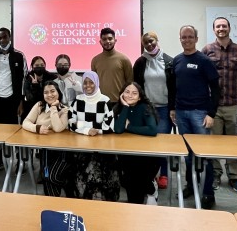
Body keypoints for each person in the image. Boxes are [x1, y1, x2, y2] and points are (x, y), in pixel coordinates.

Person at [169, 25, 220, 209]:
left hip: (200, 114)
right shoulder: (177, 60)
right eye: (184, 37)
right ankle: (191, 185)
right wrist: (173, 108)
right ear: (180, 39)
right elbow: (173, 87)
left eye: (190, 36)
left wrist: (211, 113)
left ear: (196, 39)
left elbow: (215, 89)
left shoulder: (204, 61)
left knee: (203, 155)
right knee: (188, 155)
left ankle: (207, 193)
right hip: (181, 113)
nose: (187, 39)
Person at [202, 17, 237, 191]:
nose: (221, 28)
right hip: (214, 106)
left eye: (224, 26)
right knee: (214, 144)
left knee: (233, 144)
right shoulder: (207, 50)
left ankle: (234, 176)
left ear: (229, 28)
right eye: (218, 26)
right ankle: (215, 175)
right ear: (214, 30)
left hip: (235, 103)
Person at [132, 31, 174, 190]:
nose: (149, 44)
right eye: (146, 43)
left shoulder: (169, 61)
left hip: (164, 109)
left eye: (152, 41)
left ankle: (163, 174)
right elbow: (135, 86)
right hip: (146, 109)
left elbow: (174, 87)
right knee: (148, 142)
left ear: (157, 40)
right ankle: (150, 174)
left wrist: (173, 108)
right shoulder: (140, 62)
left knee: (161, 142)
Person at [68, 71, 119, 201]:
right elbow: (70, 123)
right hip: (81, 147)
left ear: (96, 83)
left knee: (99, 175)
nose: (88, 86)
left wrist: (83, 125)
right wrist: (87, 130)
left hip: (102, 148)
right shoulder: (78, 100)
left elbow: (110, 126)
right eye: (85, 82)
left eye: (91, 82)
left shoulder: (105, 101)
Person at [0, 27, 28, 173]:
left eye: (4, 37)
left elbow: (24, 79)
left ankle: (19, 162)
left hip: (13, 100)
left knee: (14, 132)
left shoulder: (18, 55)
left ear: (9, 37)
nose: (2, 40)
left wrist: (21, 101)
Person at [113, 82, 161, 205]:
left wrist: (129, 127)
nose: (130, 95)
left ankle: (151, 189)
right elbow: (118, 130)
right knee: (129, 184)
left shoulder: (145, 107)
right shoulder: (119, 107)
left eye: (134, 93)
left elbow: (152, 130)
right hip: (128, 155)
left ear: (139, 97)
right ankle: (143, 196)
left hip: (147, 156)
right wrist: (125, 107)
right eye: (127, 92)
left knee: (137, 181)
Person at [22, 81, 70, 196]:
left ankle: (68, 184)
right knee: (46, 178)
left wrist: (54, 108)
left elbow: (58, 128)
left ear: (58, 92)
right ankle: (53, 205)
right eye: (46, 92)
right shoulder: (39, 105)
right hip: (45, 150)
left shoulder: (64, 109)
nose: (49, 95)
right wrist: (37, 128)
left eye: (53, 91)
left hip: (61, 152)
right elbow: (25, 122)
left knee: (52, 177)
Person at [90, 27, 133, 102]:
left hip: (120, 102)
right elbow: (94, 83)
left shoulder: (124, 59)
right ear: (100, 42)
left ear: (115, 40)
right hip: (101, 101)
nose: (107, 41)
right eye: (104, 39)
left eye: (110, 38)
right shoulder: (95, 60)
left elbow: (130, 82)